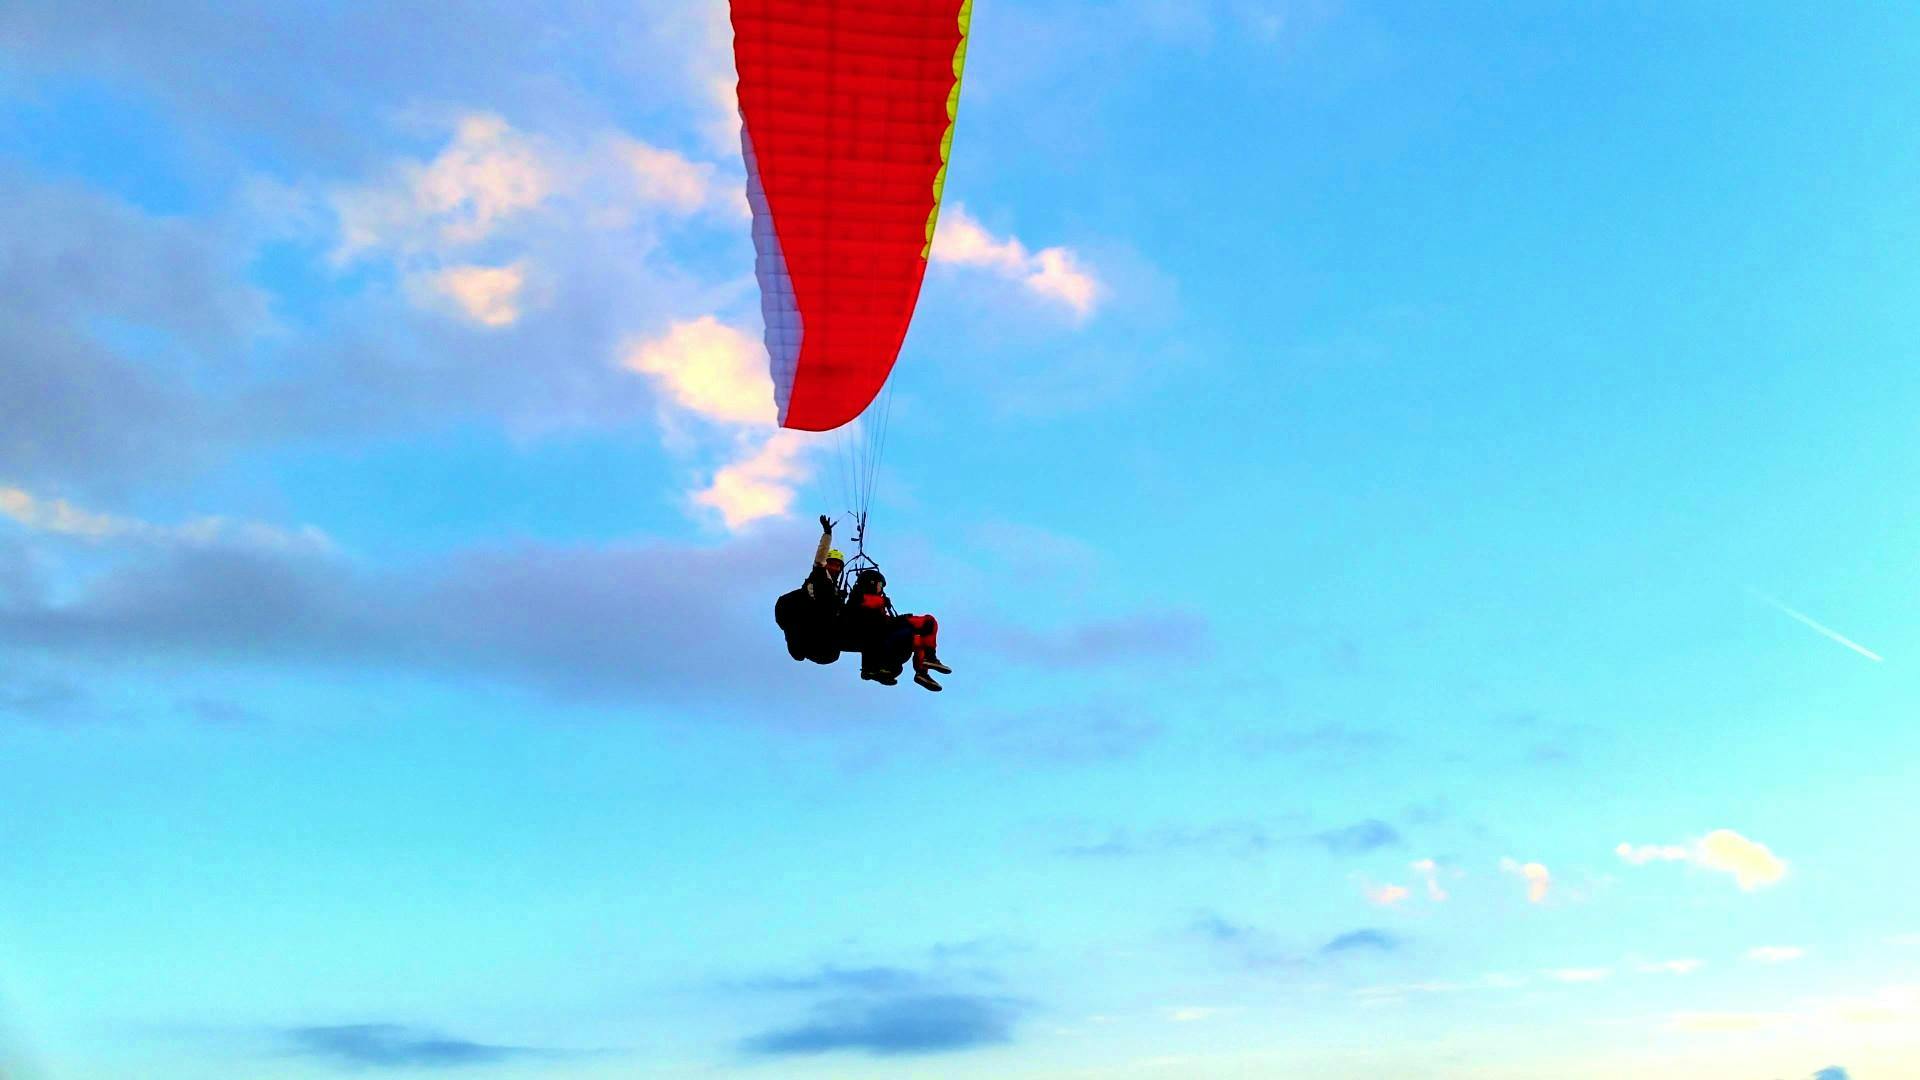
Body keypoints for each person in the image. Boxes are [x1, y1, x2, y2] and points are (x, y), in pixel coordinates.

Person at [842, 566, 951, 692]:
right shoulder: (859, 599)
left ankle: (922, 671)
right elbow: (870, 618)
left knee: (919, 640)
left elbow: (877, 618)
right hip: (884, 638)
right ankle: (929, 658)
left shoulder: (870, 601)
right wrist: (898, 618)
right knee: (928, 622)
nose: (881, 588)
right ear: (871, 583)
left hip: (885, 637)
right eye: (880, 585)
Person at [773, 515, 846, 664]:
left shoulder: (835, 588)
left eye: (838, 566)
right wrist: (827, 534)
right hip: (810, 622)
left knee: (833, 654)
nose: (835, 568)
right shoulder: (819, 574)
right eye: (832, 564)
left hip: (821, 635)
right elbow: (821, 556)